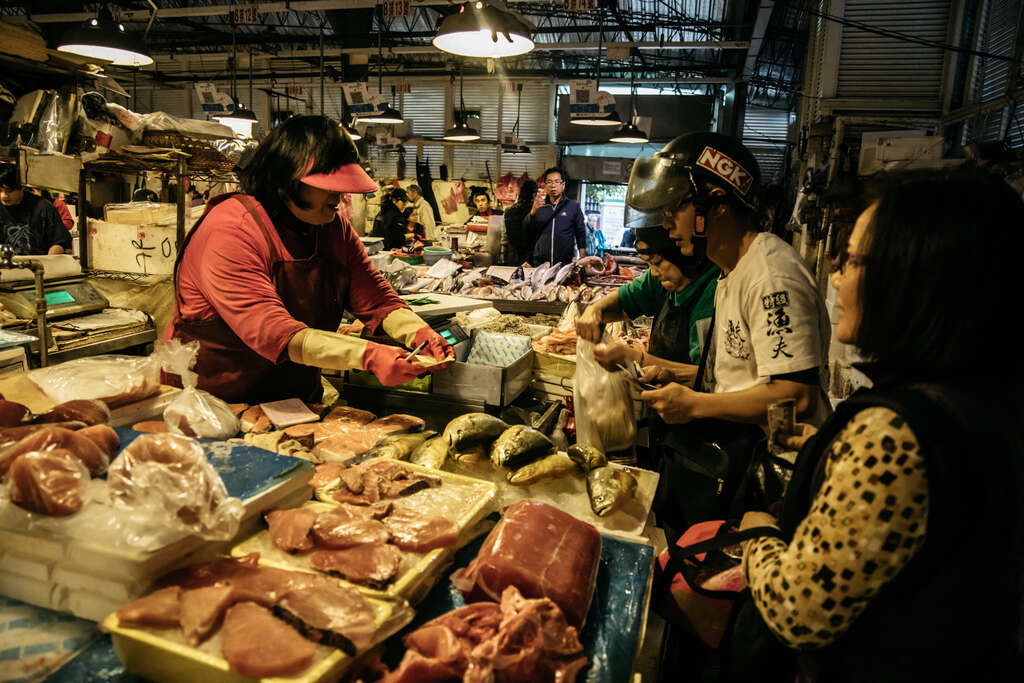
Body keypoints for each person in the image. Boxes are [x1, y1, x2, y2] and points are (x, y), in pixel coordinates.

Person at [739, 167, 1024, 682]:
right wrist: (829, 453)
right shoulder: (983, 395)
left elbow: (798, 611)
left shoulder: (894, 434)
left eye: (850, 260)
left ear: (910, 279)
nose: (836, 277)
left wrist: (757, 535)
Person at [166, 115, 453, 403]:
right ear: (286, 180)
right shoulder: (231, 229)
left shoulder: (332, 227)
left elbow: (375, 297)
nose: (340, 195)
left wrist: (417, 331)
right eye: (329, 185)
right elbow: (273, 331)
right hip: (210, 405)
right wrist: (368, 355)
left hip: (294, 400)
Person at [634, 132, 831, 430]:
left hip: (775, 453)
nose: (667, 223)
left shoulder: (771, 276)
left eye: (675, 208)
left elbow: (797, 396)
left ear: (717, 204)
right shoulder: (733, 269)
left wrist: (695, 405)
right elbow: (740, 380)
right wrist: (673, 376)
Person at [0, 167, 72, 255]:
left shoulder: (43, 207)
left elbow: (59, 243)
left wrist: (49, 261)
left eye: (9, 191)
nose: (4, 196)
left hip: (38, 262)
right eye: (0, 191)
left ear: (22, 187)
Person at [530, 167, 586, 264]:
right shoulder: (539, 206)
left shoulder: (573, 206)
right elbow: (527, 232)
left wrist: (582, 258)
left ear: (563, 185)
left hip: (564, 263)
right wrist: (533, 211)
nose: (553, 185)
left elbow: (580, 233)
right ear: (545, 185)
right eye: (549, 182)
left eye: (557, 182)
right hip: (541, 263)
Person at [502, 180, 537, 265]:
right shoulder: (536, 210)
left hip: (513, 255)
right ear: (534, 194)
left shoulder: (508, 210)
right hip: (531, 256)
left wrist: (503, 258)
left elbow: (504, 237)